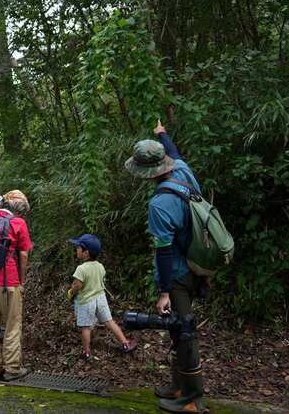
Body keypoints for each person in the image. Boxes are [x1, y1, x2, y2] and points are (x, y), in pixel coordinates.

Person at [124, 120, 205, 413]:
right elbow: (176, 152)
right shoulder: (183, 172)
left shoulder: (159, 204)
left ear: (147, 173)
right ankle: (178, 385)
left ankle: (193, 400)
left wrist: (164, 291)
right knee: (177, 329)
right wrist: (163, 134)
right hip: (197, 265)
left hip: (180, 274)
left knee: (184, 329)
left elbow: (164, 253)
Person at [0, 190, 32, 381]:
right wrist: (22, 280)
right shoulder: (18, 223)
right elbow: (24, 254)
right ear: (19, 210)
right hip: (9, 282)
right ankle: (12, 368)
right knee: (12, 325)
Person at [67, 234, 137, 359]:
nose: (76, 249)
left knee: (85, 327)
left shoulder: (81, 269)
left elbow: (78, 285)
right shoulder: (100, 266)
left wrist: (71, 292)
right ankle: (125, 343)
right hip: (100, 298)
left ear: (86, 253)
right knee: (109, 322)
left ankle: (87, 352)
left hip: (86, 301)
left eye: (78, 247)